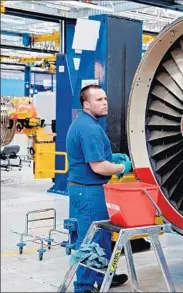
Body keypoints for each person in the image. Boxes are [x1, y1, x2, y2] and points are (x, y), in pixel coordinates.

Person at [66, 84, 132, 293]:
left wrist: (112, 157)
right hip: (89, 191)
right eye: (98, 100)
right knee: (91, 240)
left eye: (105, 99)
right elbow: (99, 166)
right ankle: (84, 286)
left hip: (87, 188)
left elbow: (91, 157)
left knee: (101, 237)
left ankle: (104, 276)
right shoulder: (90, 128)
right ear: (86, 104)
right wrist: (123, 166)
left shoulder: (85, 123)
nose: (104, 103)